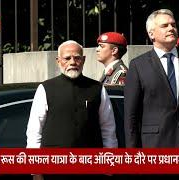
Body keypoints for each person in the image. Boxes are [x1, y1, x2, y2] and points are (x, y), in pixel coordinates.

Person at [26, 40, 118, 180]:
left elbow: (108, 129)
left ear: (84, 60)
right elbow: (34, 130)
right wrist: (35, 169)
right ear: (58, 61)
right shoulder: (45, 89)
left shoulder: (97, 89)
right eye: (67, 58)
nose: (73, 62)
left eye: (77, 58)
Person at [124, 9, 179, 149]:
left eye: (173, 25)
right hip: (154, 148)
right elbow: (131, 117)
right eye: (165, 26)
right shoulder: (138, 65)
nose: (171, 28)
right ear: (151, 34)